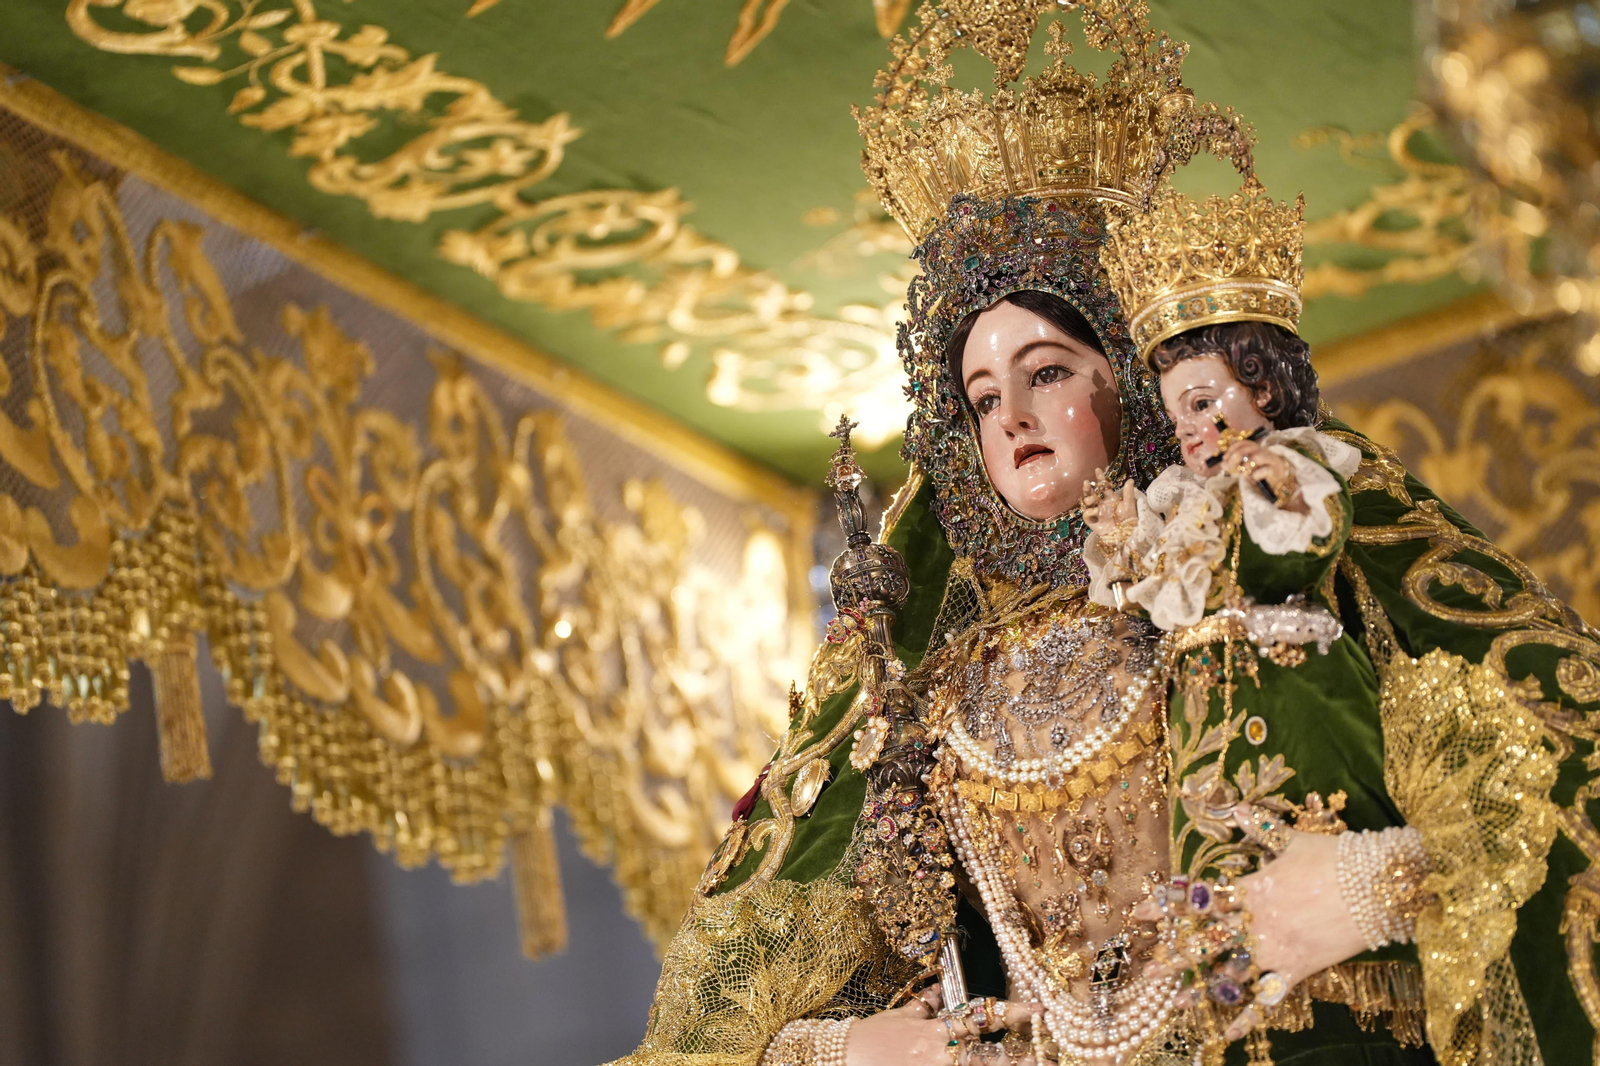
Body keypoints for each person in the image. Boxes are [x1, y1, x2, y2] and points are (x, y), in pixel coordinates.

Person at [605, 5, 1600, 1066]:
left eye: (1045, 373)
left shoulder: (1273, 534)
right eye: (982, 399)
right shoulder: (925, 690)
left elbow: (1560, 759)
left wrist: (1374, 889)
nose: (1015, 420)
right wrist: (847, 1050)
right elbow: (714, 1032)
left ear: (1128, 377)